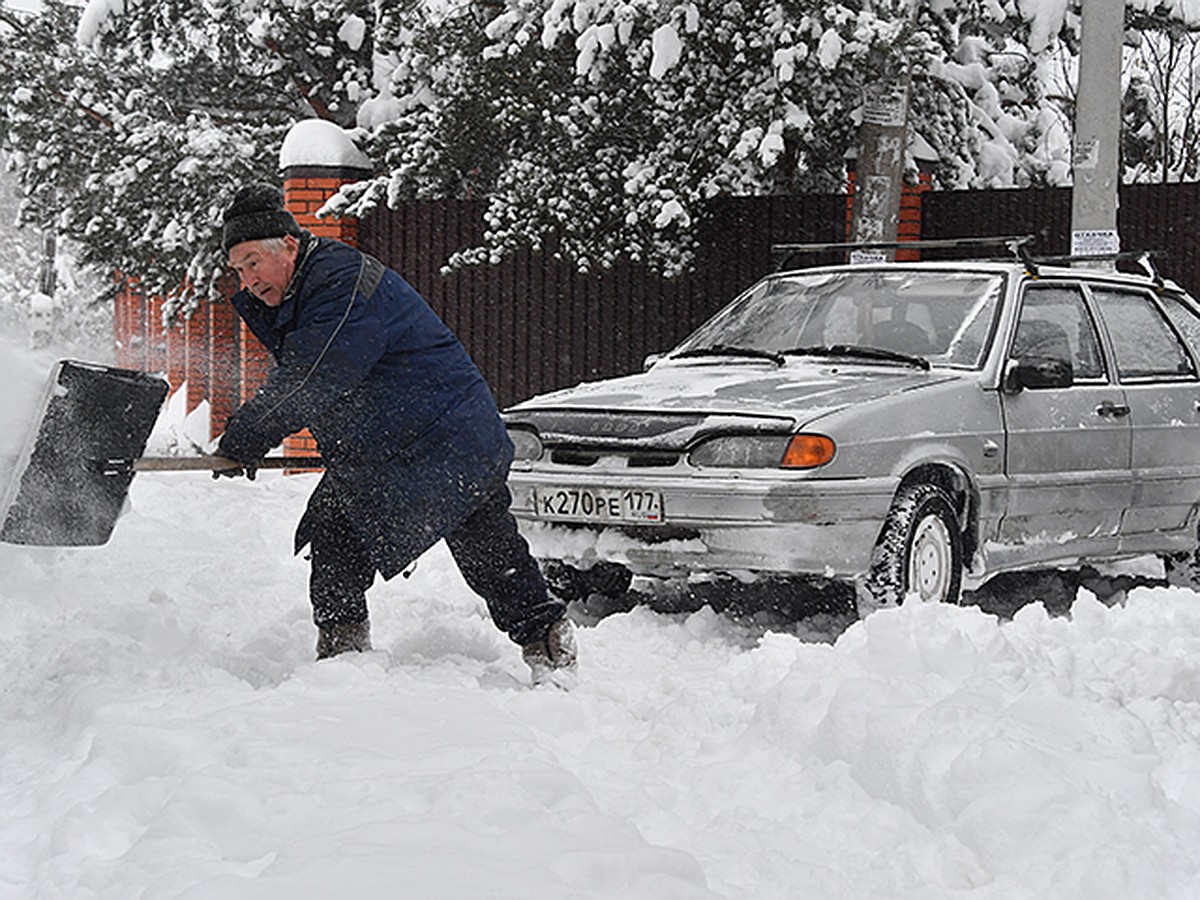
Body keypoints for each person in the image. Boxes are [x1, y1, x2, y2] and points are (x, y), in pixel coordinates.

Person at [213, 182, 576, 686]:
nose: (248, 279)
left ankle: (550, 647)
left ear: (289, 246)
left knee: (488, 553)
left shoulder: (339, 285)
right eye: (239, 270)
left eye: (253, 262)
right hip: (389, 446)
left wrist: (248, 433)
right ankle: (342, 661)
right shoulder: (311, 285)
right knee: (335, 534)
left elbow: (313, 373)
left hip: (446, 439)